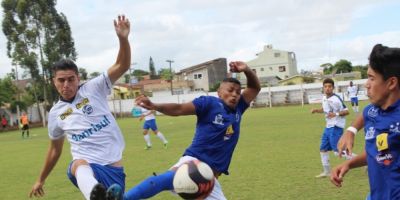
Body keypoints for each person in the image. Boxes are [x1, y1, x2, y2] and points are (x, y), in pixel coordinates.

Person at [123, 61, 260, 200]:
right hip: (195, 163)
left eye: (238, 92)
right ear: (219, 92)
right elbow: (179, 109)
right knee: (166, 179)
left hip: (209, 181)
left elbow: (254, 87)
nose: (235, 94)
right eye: (230, 90)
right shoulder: (208, 103)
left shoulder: (238, 108)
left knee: (166, 180)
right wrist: (154, 106)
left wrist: (247, 69)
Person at [29, 15, 131, 200]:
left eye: (71, 79)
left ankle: (98, 194)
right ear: (54, 82)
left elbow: (122, 65)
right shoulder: (56, 114)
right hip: (86, 168)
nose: (66, 84)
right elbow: (54, 150)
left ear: (78, 78)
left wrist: (123, 39)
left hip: (112, 169)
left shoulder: (94, 87)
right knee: (77, 165)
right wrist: (40, 179)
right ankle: (95, 194)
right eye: (61, 80)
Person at [330, 44, 400, 200]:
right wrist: (351, 131)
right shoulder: (372, 110)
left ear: (391, 83)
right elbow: (378, 154)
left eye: (371, 78)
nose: (366, 84)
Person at [311, 78, 350, 178]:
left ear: (333, 88)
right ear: (323, 88)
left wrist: (335, 114)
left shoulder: (336, 98)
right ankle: (327, 171)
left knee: (338, 151)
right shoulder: (324, 97)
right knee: (323, 149)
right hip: (328, 127)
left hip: (336, 126)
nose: (327, 88)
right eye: (325, 86)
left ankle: (363, 160)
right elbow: (325, 109)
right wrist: (317, 110)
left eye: (329, 87)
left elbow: (346, 111)